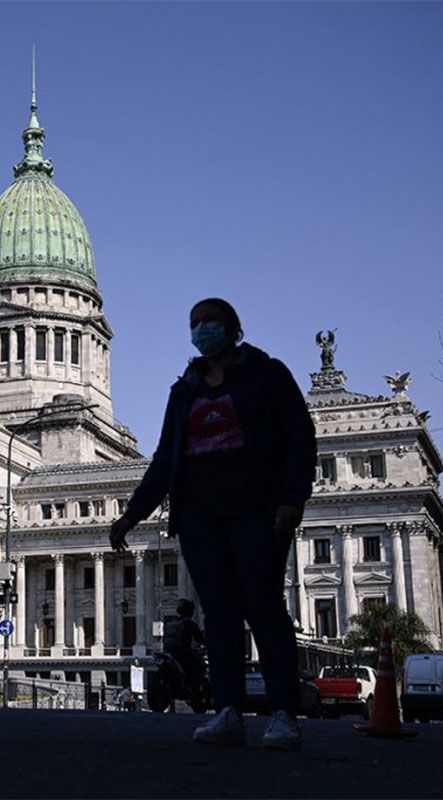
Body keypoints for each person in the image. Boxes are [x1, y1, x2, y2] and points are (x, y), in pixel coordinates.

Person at [110, 297, 316, 751]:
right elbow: (165, 459)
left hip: (256, 507)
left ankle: (283, 713)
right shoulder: (185, 389)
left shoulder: (267, 373)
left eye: (210, 321)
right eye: (194, 323)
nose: (201, 329)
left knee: (263, 607)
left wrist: (292, 498)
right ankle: (228, 711)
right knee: (218, 613)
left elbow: (300, 436)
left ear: (232, 327)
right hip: (200, 513)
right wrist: (132, 513)